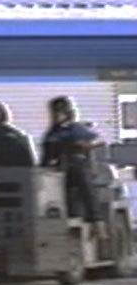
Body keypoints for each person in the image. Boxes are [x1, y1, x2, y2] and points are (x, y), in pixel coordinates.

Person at [41, 96, 107, 237]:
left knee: (84, 181)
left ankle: (96, 221)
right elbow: (47, 154)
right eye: (55, 112)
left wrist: (84, 146)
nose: (57, 115)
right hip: (59, 170)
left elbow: (96, 140)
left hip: (77, 166)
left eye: (60, 112)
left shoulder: (76, 128)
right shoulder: (53, 133)